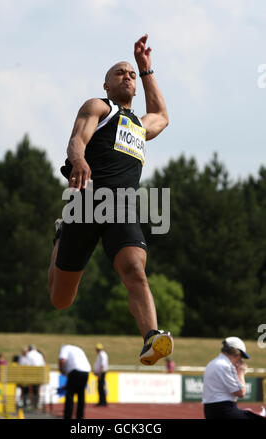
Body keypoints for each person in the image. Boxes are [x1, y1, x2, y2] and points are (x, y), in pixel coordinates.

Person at [48, 34, 173, 366]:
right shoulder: (100, 108)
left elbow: (160, 114)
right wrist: (79, 160)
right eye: (121, 73)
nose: (127, 77)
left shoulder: (140, 126)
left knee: (135, 269)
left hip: (122, 209)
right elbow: (77, 140)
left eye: (131, 74)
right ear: (106, 84)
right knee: (61, 299)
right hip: (87, 204)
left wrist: (147, 70)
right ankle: (60, 237)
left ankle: (151, 338)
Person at [202, 337, 264, 419]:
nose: (240, 360)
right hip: (224, 410)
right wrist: (241, 373)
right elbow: (241, 393)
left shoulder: (212, 363)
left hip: (210, 410)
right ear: (237, 353)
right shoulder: (226, 366)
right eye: (241, 357)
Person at [58, 344, 91, 419]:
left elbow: (62, 360)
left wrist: (61, 370)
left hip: (76, 371)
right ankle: (80, 416)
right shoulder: (78, 349)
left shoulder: (64, 348)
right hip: (86, 371)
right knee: (81, 394)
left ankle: (68, 416)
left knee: (70, 394)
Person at [26, 344, 45, 409]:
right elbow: (43, 364)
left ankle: (32, 403)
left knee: (31, 388)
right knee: (37, 389)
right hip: (39, 374)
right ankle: (37, 403)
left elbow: (27, 365)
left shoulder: (29, 354)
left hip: (32, 373)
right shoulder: (40, 355)